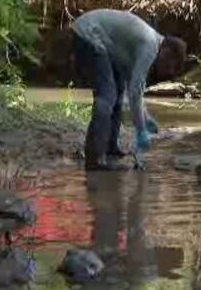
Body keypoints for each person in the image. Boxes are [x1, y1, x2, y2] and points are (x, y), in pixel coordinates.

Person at [71, 9, 187, 171]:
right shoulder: (149, 46)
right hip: (88, 33)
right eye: (168, 64)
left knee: (118, 94)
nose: (164, 69)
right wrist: (141, 131)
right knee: (107, 97)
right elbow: (134, 92)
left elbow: (133, 87)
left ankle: (110, 148)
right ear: (166, 51)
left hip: (100, 40)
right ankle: (94, 159)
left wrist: (145, 118)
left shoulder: (144, 45)